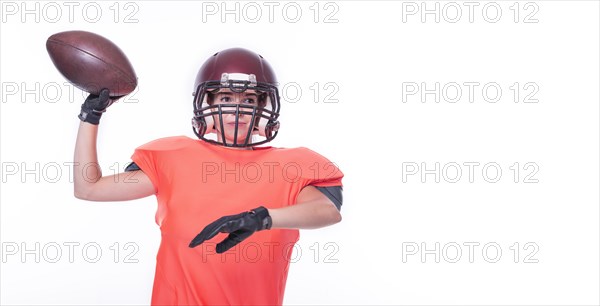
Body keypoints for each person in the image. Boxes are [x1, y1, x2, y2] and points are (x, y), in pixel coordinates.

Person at [73, 48, 344, 305]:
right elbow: (89, 188)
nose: (237, 110)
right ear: (208, 103)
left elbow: (327, 211)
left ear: (263, 109)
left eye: (249, 100)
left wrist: (263, 218)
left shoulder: (290, 166)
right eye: (226, 98)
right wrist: (91, 116)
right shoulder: (173, 156)